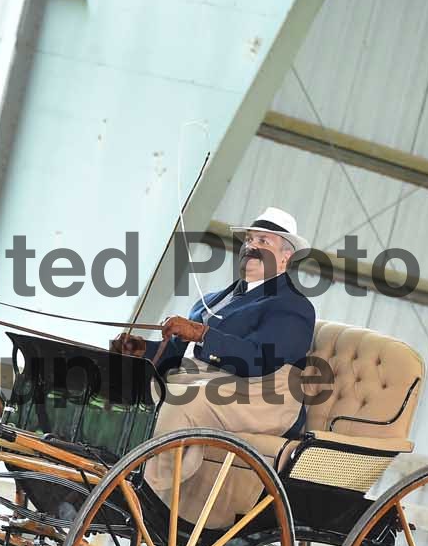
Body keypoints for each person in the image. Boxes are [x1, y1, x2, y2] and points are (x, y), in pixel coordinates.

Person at [112, 207, 316, 528]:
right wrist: (140, 350)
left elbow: (259, 359)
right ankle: (108, 467)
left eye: (263, 240)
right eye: (249, 239)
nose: (251, 246)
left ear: (285, 258)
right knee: (140, 385)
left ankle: (147, 492)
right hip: (208, 381)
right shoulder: (213, 299)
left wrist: (202, 333)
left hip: (265, 396)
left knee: (184, 400)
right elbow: (176, 355)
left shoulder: (292, 306)